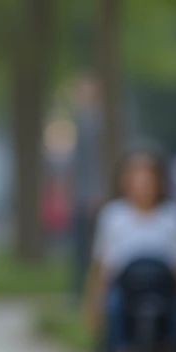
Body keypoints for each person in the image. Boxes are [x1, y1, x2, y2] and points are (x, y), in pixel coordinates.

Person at [83, 147, 176, 352]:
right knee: (114, 306)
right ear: (126, 183)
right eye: (136, 180)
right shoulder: (113, 217)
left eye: (148, 180)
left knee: (173, 311)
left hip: (161, 287)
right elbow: (103, 265)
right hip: (126, 288)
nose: (143, 187)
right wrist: (95, 302)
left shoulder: (173, 217)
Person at [69, 75, 106, 303]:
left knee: (93, 246)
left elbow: (95, 163)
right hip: (81, 195)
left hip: (92, 195)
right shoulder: (81, 120)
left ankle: (90, 291)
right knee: (80, 247)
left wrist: (97, 193)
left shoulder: (98, 122)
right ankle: (79, 290)